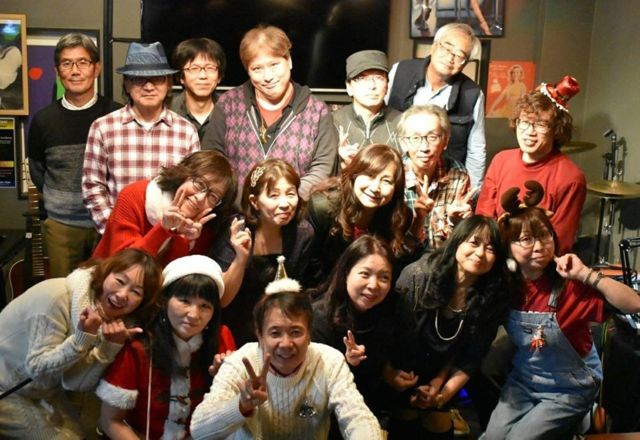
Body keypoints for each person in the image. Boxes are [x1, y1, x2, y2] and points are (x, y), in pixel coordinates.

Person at [483, 184, 640, 440]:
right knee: (492, 437)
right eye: (526, 239)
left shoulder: (569, 285)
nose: (539, 246)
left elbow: (634, 303)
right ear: (508, 246)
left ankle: (581, 418)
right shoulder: (506, 286)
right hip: (524, 381)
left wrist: (585, 274)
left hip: (569, 388)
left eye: (544, 236)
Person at [189, 277, 384, 439]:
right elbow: (199, 430)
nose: (286, 343)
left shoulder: (329, 361)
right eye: (275, 333)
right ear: (259, 335)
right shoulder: (241, 362)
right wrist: (241, 405)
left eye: (296, 332)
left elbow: (356, 416)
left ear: (309, 334)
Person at [0, 248, 162, 439]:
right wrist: (82, 338)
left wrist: (110, 346)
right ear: (105, 273)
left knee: (79, 435)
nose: (122, 294)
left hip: (42, 391)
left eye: (136, 292)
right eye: (120, 281)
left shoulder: (115, 321)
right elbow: (38, 371)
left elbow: (75, 383)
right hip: (8, 389)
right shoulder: (56, 296)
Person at [392, 215, 510, 438]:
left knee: (437, 421)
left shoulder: (492, 297)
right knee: (405, 417)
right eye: (474, 242)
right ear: (457, 242)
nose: (480, 253)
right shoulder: (419, 276)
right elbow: (391, 335)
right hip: (399, 370)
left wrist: (441, 393)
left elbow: (472, 356)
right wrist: (396, 377)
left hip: (442, 374)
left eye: (490, 249)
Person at [96, 255, 236, 439]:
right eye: (184, 301)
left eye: (205, 306)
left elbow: (228, 416)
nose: (194, 315)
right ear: (164, 300)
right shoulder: (139, 346)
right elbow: (110, 420)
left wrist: (226, 382)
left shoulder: (221, 338)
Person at [200, 25, 338, 200]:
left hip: (293, 212)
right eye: (257, 69)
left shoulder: (316, 111)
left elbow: (322, 168)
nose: (267, 77)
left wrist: (283, 201)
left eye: (274, 65)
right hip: (236, 212)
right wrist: (246, 202)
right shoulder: (229, 105)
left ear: (289, 61)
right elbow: (212, 161)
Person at [27, 33, 122, 278]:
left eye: (82, 62)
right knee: (63, 291)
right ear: (57, 71)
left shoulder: (116, 115)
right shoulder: (43, 120)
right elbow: (37, 169)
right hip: (62, 226)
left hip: (109, 224)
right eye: (67, 63)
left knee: (108, 290)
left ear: (96, 68)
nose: (75, 71)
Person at [82, 41, 200, 234]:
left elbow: (192, 188)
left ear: (168, 84)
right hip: (118, 235)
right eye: (139, 79)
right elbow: (92, 187)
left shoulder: (186, 131)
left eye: (157, 79)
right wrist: (116, 230)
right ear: (127, 84)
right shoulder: (103, 127)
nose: (148, 86)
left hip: (169, 235)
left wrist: (174, 229)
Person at [311, 235, 416, 432]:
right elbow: (313, 385)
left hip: (374, 407)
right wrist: (345, 363)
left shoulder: (393, 308)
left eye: (384, 277)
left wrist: (390, 374)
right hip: (327, 414)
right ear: (346, 272)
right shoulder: (319, 318)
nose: (374, 285)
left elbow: (395, 356)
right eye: (365, 274)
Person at [210, 159, 314, 345]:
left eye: (291, 194)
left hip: (278, 329)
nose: (285, 203)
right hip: (233, 327)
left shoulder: (302, 233)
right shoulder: (236, 229)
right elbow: (222, 300)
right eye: (274, 195)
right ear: (254, 201)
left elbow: (300, 292)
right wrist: (240, 258)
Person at [476, 75, 585, 254]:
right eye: (524, 122)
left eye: (541, 124)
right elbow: (483, 220)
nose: (529, 132)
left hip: (538, 263)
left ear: (556, 129)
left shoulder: (571, 178)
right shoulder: (501, 160)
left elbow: (560, 243)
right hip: (495, 257)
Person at [387, 23, 485, 190]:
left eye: (459, 55)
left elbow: (476, 150)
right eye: (447, 48)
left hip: (445, 184)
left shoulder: (472, 94)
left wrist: (471, 194)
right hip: (394, 177)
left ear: (465, 63)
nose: (450, 57)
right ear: (433, 46)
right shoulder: (400, 71)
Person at [306, 143, 416, 287]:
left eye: (386, 181)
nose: (375, 188)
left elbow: (395, 267)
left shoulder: (400, 216)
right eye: (370, 175)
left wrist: (419, 221)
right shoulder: (322, 207)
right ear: (354, 175)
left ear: (396, 188)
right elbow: (312, 264)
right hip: (325, 289)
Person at [398, 105, 473, 249]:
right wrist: (418, 219)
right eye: (415, 138)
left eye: (432, 137)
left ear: (445, 141)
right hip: (402, 258)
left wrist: (455, 221)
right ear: (403, 143)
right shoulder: (393, 175)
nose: (424, 147)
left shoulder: (458, 174)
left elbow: (461, 241)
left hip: (443, 258)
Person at [332, 50, 401, 170]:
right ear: (349, 87)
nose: (372, 86)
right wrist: (340, 162)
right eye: (362, 78)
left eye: (379, 78)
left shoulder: (402, 123)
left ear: (387, 86)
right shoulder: (333, 122)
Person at [170, 37, 226, 140]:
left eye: (210, 68)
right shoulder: (168, 112)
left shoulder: (230, 111)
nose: (203, 76)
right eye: (194, 68)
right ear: (181, 77)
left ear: (219, 76)